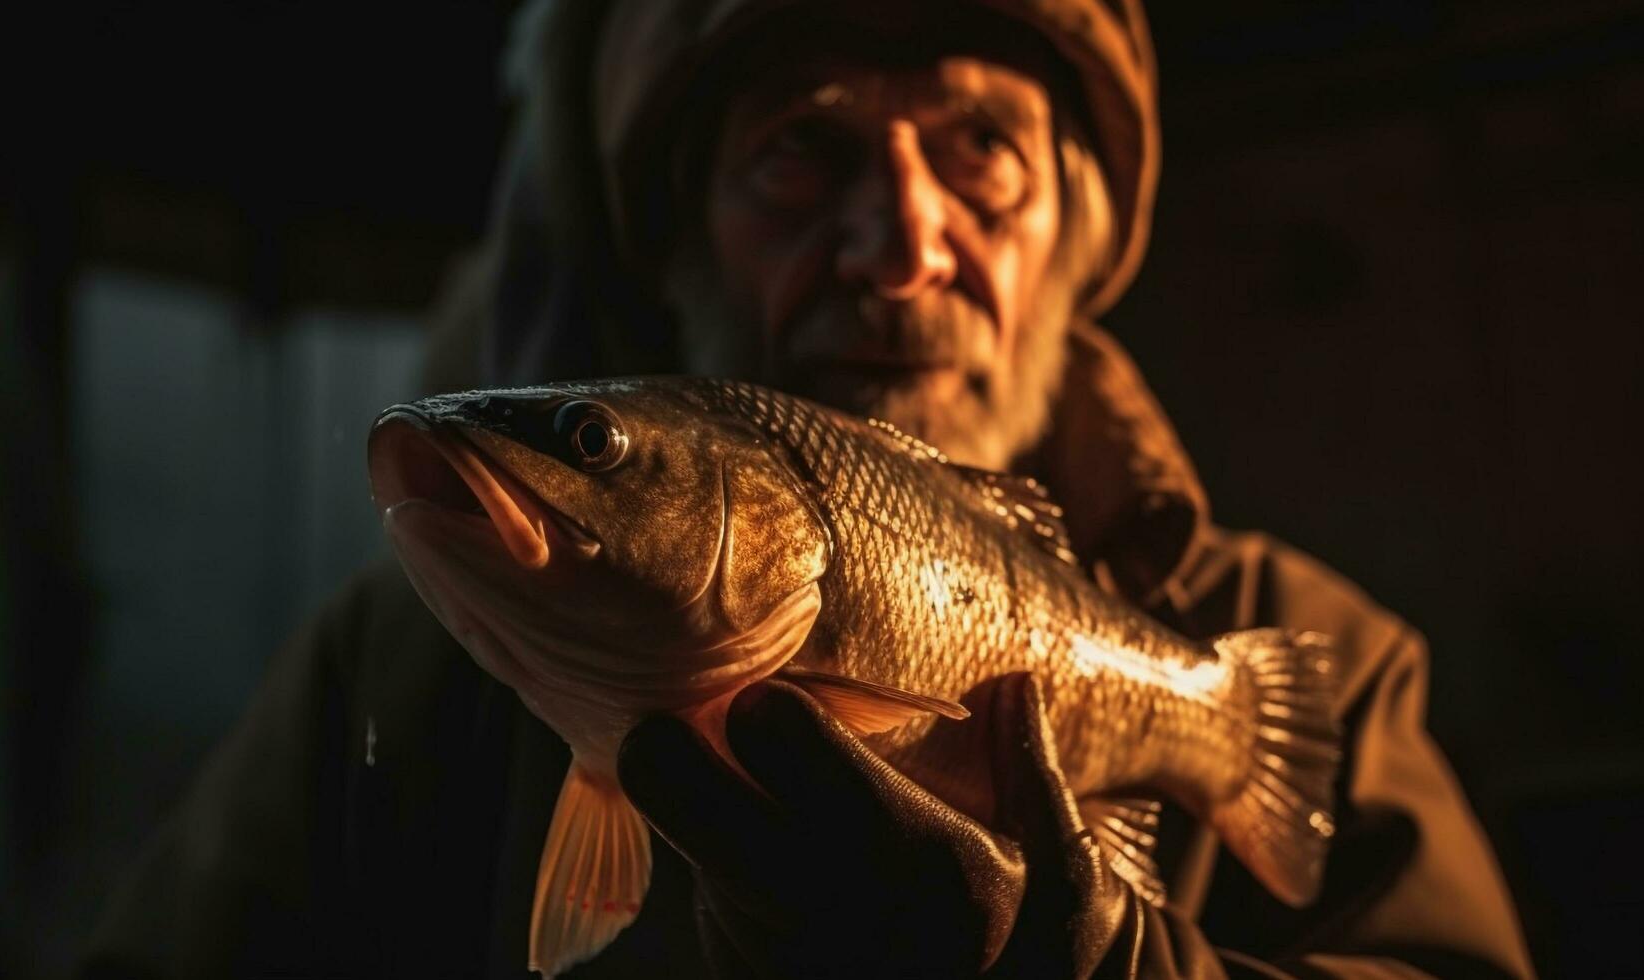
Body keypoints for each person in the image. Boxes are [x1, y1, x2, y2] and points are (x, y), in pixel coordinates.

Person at [83, 1, 1536, 977]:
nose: (901, 246)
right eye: (802, 155)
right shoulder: (403, 672)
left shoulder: (1310, 650)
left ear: (1075, 235)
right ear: (677, 242)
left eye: (984, 154)